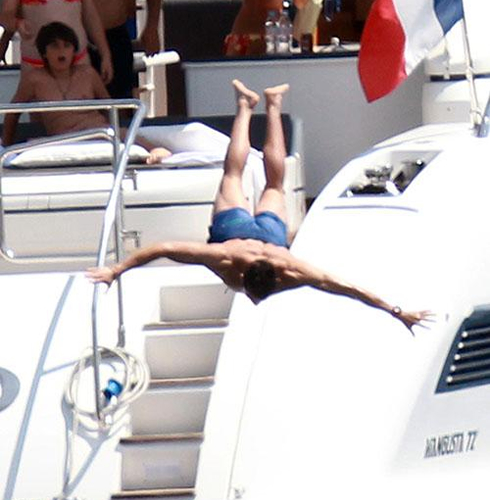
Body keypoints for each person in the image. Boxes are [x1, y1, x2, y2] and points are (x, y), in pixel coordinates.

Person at [87, 78, 432, 332]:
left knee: (262, 180)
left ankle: (268, 104)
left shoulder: (242, 261)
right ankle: (251, 105)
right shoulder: (282, 269)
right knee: (239, 175)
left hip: (262, 234)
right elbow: (346, 288)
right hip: (237, 232)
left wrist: (396, 311)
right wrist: (394, 311)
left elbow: (163, 248)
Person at [1, 21, 170, 164]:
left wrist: (114, 129)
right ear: (44, 52)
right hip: (63, 137)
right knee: (30, 144)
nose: (61, 51)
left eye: (66, 46)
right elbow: (12, 113)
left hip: (97, 130)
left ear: (73, 51)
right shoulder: (35, 79)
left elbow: (110, 106)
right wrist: (6, 146)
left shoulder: (87, 73)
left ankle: (156, 150)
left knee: (122, 132)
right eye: (54, 46)